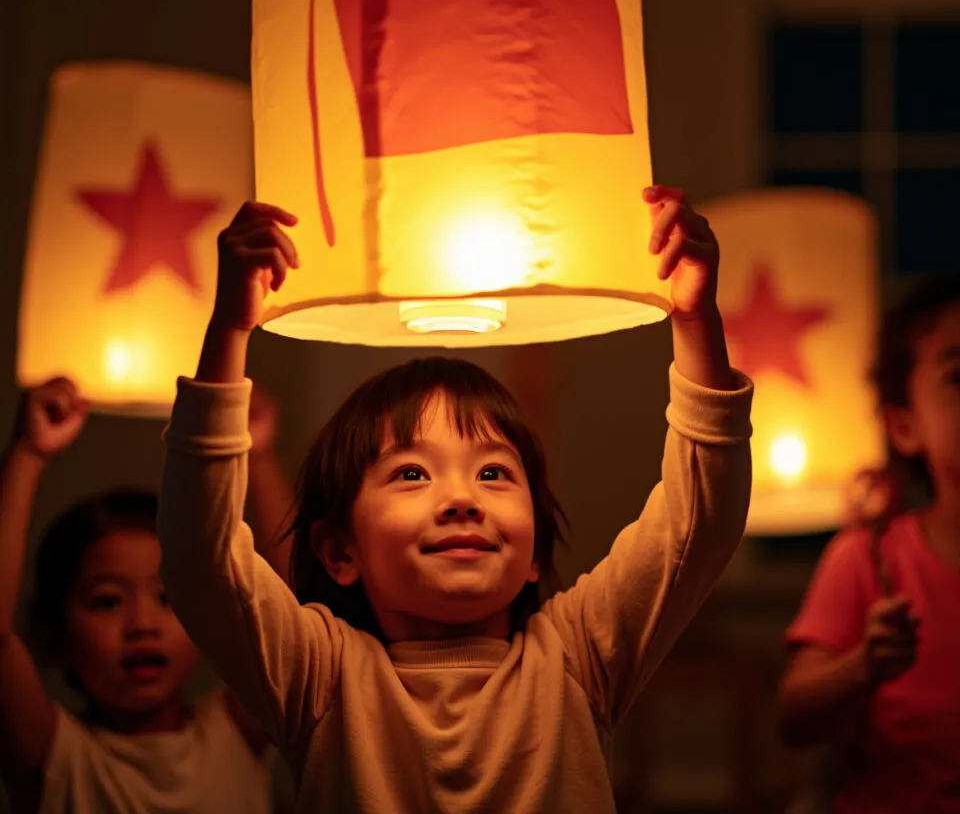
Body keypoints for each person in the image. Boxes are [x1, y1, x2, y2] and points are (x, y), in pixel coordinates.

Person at [158, 187, 754, 812]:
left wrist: (695, 321)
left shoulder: (578, 656)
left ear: (533, 555)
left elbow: (698, 523)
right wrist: (229, 327)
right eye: (413, 475)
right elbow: (202, 558)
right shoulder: (319, 676)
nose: (462, 498)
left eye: (494, 473)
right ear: (339, 551)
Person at [0, 376, 291, 813]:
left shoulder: (234, 732)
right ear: (54, 630)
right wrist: (27, 452)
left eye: (167, 598)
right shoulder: (56, 756)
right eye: (107, 601)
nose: (142, 625)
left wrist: (259, 455)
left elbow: (291, 617)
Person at [778, 274, 960, 812]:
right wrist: (864, 665)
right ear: (905, 427)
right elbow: (794, 717)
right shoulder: (870, 558)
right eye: (959, 375)